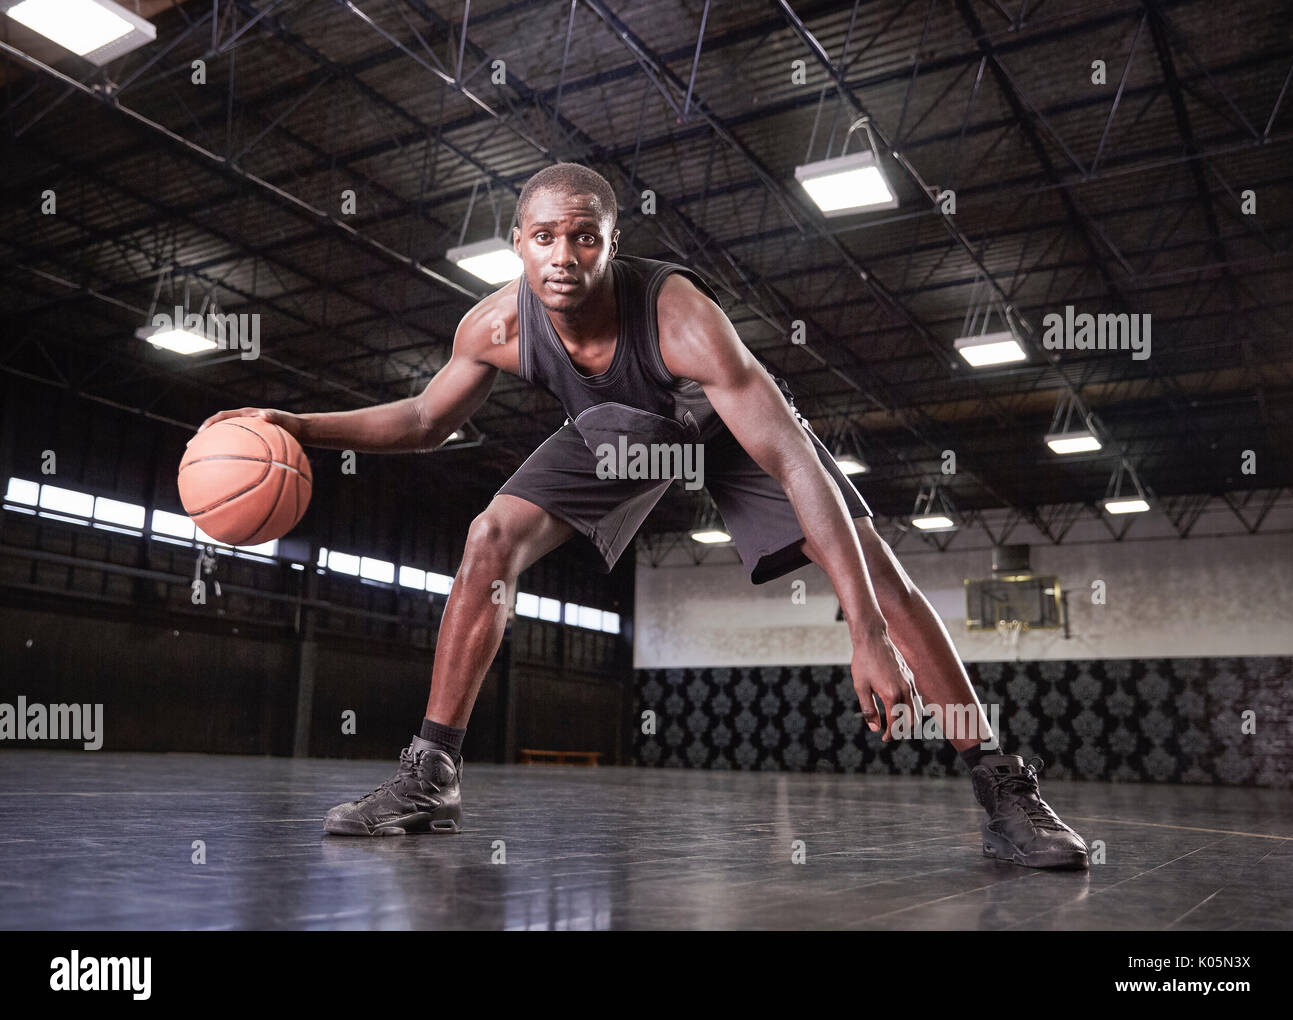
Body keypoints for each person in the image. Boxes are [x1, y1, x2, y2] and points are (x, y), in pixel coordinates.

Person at [196, 163, 1088, 869]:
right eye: (544, 236)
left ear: (612, 244)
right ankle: (430, 777)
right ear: (518, 243)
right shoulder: (496, 327)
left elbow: (787, 458)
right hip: (618, 431)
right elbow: (426, 420)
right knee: (488, 540)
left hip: (720, 425)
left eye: (584, 238)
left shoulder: (680, 317)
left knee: (875, 573)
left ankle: (1003, 789)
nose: (563, 256)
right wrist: (297, 426)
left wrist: (862, 630)